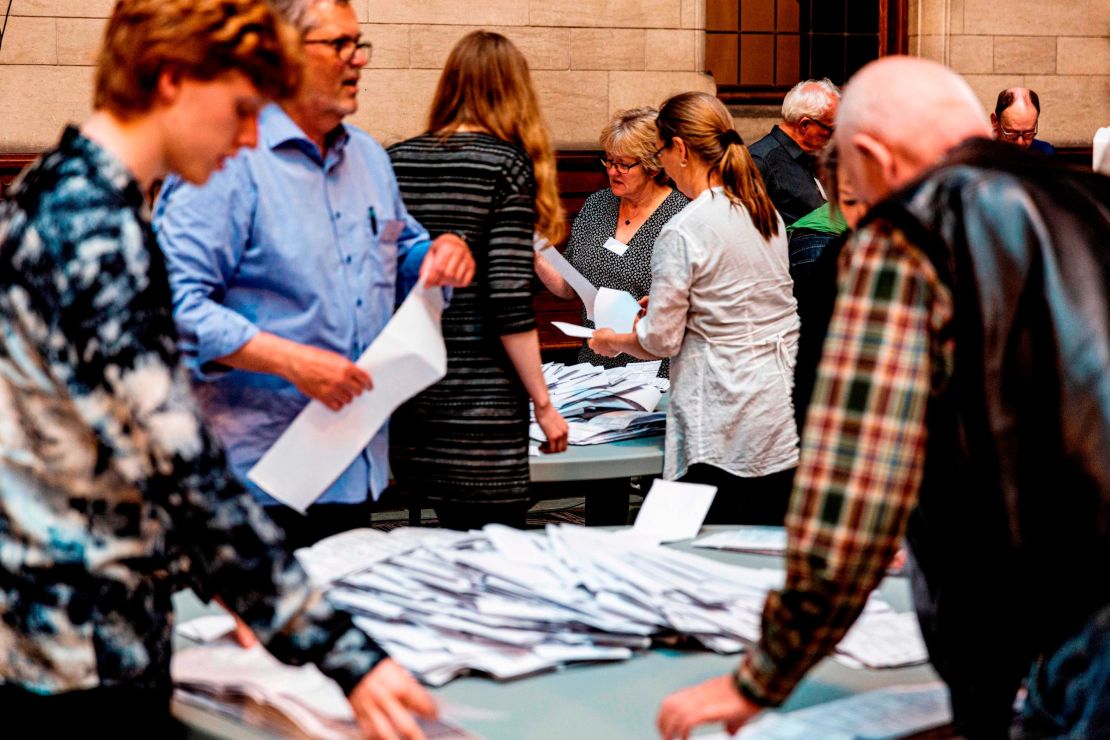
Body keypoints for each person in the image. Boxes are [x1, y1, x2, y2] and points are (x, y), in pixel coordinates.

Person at [0, 0, 437, 735]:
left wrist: (215, 573)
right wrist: (347, 654)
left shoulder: (58, 193)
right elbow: (181, 463)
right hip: (77, 644)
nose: (246, 138)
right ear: (172, 78)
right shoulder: (92, 230)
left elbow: (109, 444)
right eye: (239, 109)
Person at [656, 56, 1110, 740]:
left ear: (869, 155)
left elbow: (856, 482)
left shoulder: (913, 234)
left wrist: (763, 677)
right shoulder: (1092, 202)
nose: (852, 213)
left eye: (851, 189)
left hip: (1071, 641)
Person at [153, 0, 475, 548]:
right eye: (339, 45)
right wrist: (289, 361)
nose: (358, 61)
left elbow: (403, 253)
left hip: (353, 465)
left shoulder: (371, 160)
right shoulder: (229, 161)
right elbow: (166, 307)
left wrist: (439, 254)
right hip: (253, 480)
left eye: (359, 44)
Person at [385, 31, 569, 531]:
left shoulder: (396, 159)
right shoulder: (505, 166)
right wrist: (545, 405)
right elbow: (508, 297)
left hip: (411, 388)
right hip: (482, 404)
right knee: (491, 556)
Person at [589, 91, 799, 526]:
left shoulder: (684, 229)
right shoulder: (762, 212)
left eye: (662, 152)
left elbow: (659, 340)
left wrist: (612, 341)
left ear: (680, 150)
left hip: (717, 414)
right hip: (775, 405)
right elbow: (743, 299)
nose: (662, 164)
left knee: (706, 545)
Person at [534, 107, 688, 376]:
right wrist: (536, 254)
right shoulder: (597, 205)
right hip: (596, 363)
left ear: (652, 166)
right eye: (609, 161)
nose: (613, 171)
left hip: (656, 368)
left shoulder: (680, 216)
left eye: (624, 165)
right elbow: (571, 287)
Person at [748, 78, 840, 226]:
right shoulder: (759, 161)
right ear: (804, 125)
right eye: (830, 130)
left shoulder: (814, 156)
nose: (834, 137)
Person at [991, 86, 1055, 154]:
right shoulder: (980, 154)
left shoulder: (1044, 152)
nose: (1020, 143)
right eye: (1012, 133)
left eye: (1028, 133)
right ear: (994, 121)